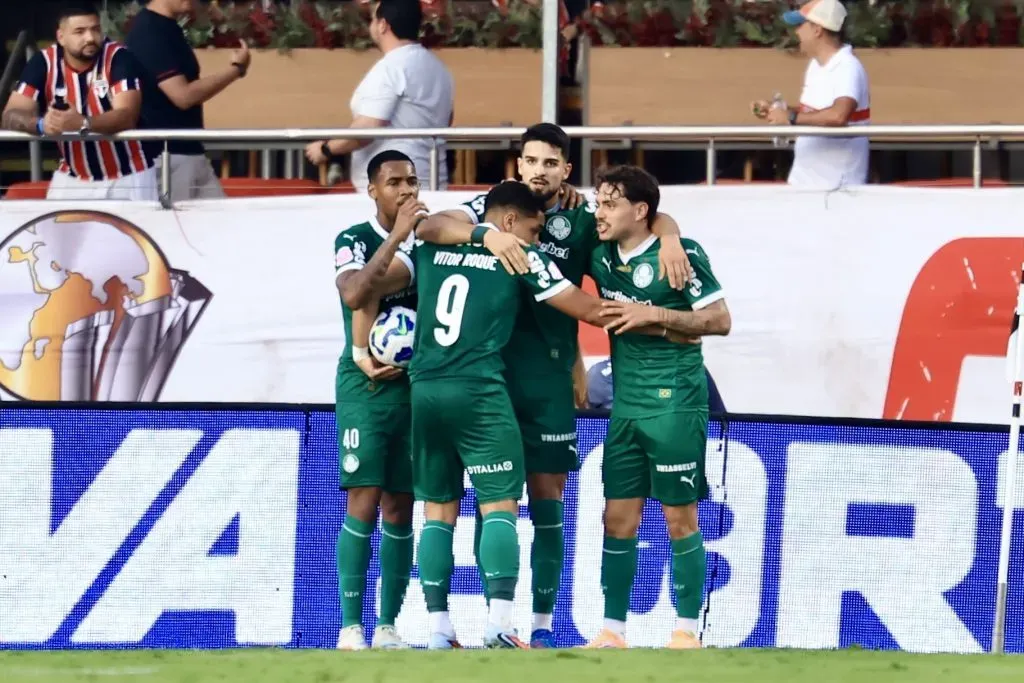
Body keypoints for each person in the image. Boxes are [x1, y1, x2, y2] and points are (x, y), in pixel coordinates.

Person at [414, 122, 692, 648]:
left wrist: (672, 236)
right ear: (518, 165)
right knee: (495, 500)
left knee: (544, 501)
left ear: (566, 169)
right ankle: (495, 620)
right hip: (491, 377)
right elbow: (432, 224)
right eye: (531, 161)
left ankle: (538, 627)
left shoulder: (587, 217)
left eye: (550, 163)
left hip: (542, 376)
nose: (539, 171)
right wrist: (487, 235)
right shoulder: (490, 212)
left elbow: (646, 214)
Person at [583, 165, 731, 650]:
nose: (600, 212)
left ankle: (686, 631)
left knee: (678, 518)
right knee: (616, 519)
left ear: (640, 210)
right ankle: (613, 631)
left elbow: (720, 320)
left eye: (610, 204)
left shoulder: (681, 254)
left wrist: (657, 315)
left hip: (675, 403)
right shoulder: (600, 254)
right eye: (598, 203)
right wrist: (667, 230)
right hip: (626, 407)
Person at [331, 149, 427, 651]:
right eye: (394, 182)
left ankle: (388, 624)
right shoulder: (353, 239)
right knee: (364, 499)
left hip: (415, 388)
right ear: (373, 190)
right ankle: (351, 626)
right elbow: (354, 294)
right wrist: (396, 237)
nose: (406, 190)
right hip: (364, 387)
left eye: (412, 180)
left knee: (400, 506)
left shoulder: (432, 238)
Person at [1, 3, 156, 200]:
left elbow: (127, 116)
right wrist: (41, 124)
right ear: (61, 37)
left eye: (95, 29)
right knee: (54, 221)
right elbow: (10, 115)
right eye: (80, 31)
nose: (90, 38)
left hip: (129, 176)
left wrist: (83, 123)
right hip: (73, 176)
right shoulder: (43, 62)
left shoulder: (119, 57)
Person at [305, 0, 454, 191]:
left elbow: (368, 129)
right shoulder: (439, 68)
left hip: (394, 189)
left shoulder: (391, 68)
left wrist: (326, 149)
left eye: (373, 19)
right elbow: (447, 119)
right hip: (432, 182)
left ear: (383, 25)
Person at [126, 0, 250, 200]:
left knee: (223, 217)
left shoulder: (168, 26)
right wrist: (236, 70)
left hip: (188, 151)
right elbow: (183, 96)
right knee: (180, 220)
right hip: (168, 156)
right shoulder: (149, 31)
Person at [751, 0, 870, 188]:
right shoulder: (816, 65)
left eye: (800, 25)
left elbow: (838, 116)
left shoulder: (848, 67)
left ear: (817, 30)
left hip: (837, 188)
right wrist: (778, 110)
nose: (796, 32)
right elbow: (813, 113)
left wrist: (790, 117)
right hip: (805, 184)